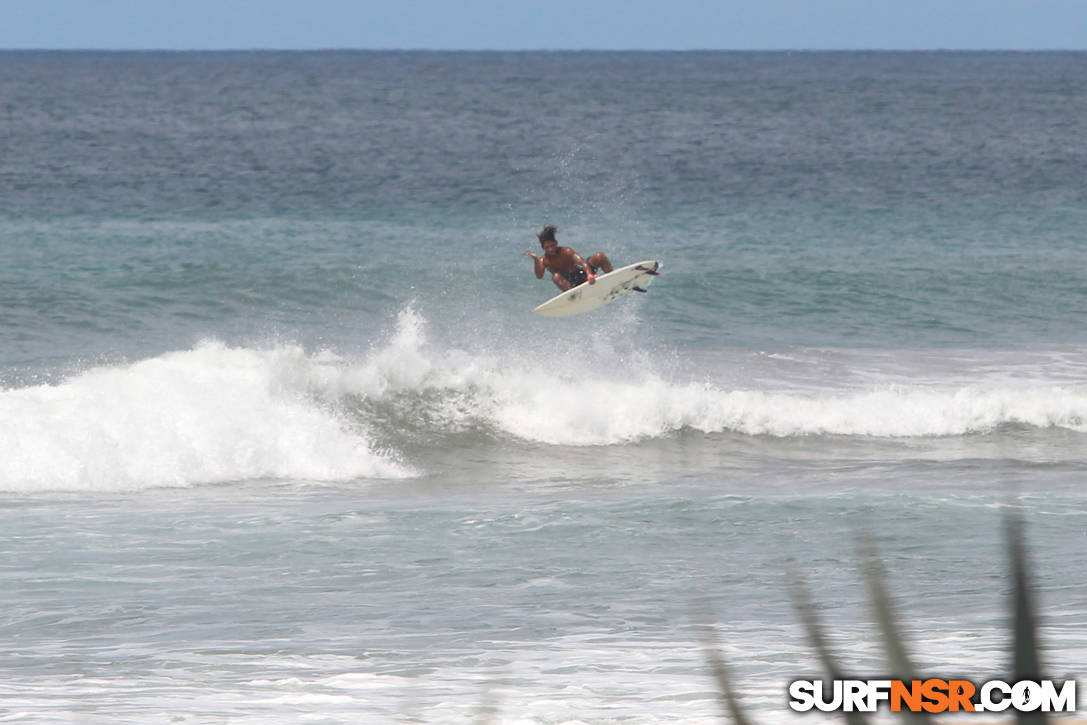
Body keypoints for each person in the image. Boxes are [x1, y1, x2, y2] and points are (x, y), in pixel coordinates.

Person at [524, 225, 613, 292]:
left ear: (556, 243)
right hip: (570, 283)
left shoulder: (566, 251)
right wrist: (536, 260)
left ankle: (612, 279)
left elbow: (582, 262)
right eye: (547, 247)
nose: (551, 249)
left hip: (582, 273)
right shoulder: (543, 260)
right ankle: (573, 295)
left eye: (552, 245)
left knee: (599, 256)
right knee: (556, 277)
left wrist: (589, 275)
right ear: (543, 248)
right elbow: (539, 276)